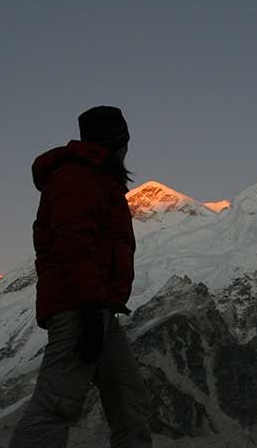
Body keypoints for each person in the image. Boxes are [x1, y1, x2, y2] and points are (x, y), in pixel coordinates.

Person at [9, 106, 152, 448]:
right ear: (119, 142)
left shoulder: (96, 178)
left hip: (99, 309)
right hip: (80, 308)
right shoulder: (78, 178)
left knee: (131, 406)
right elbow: (74, 244)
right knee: (57, 403)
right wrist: (90, 307)